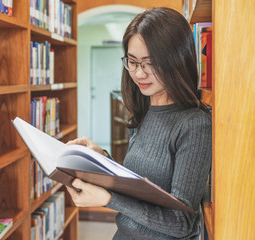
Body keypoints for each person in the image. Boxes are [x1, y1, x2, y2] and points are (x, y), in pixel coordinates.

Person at [66, 7, 212, 240]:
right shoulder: (145, 111)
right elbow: (141, 187)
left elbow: (182, 223)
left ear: (177, 60)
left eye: (149, 63)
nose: (139, 73)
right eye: (132, 62)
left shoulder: (193, 124)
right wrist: (102, 158)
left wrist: (109, 199)